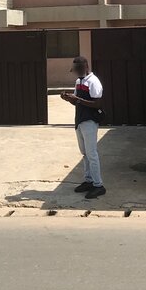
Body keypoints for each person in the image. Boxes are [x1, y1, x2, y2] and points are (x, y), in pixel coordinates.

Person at [60, 55, 106, 199]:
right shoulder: (79, 81)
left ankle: (98, 185)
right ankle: (89, 180)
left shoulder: (93, 82)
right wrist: (69, 98)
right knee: (85, 153)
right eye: (74, 70)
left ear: (85, 67)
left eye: (77, 69)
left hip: (90, 121)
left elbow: (98, 104)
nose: (76, 72)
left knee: (92, 154)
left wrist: (77, 100)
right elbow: (77, 102)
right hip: (80, 120)